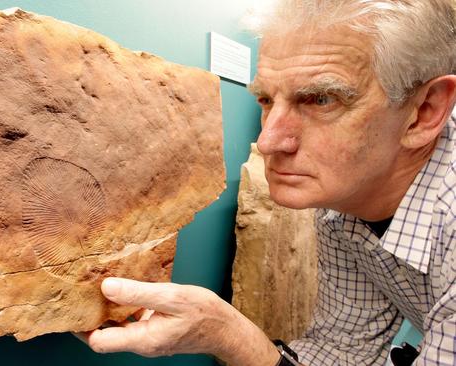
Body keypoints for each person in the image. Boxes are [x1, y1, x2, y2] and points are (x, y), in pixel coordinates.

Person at [80, 0, 456, 365]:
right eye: (264, 98)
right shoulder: (342, 201)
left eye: (321, 100)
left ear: (425, 112)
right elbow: (343, 349)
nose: (268, 141)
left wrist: (227, 335)